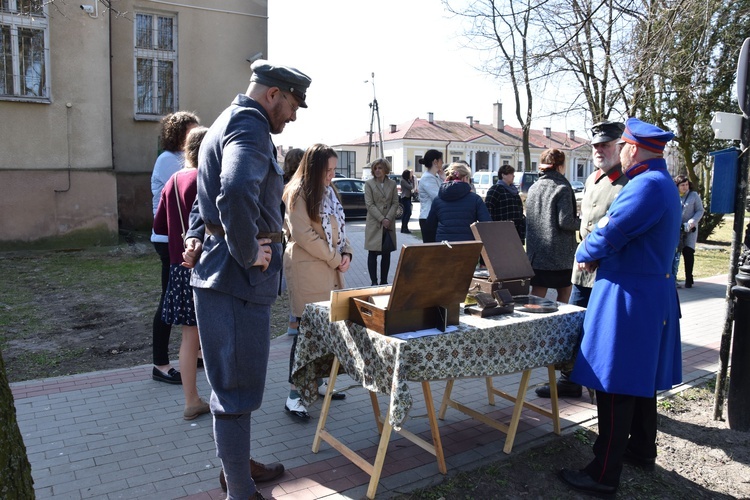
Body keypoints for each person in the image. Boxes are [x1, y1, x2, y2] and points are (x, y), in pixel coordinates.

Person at [183, 60, 310, 500]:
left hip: (222, 276)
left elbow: (205, 197)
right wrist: (246, 249)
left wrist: (195, 236)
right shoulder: (250, 125)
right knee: (236, 388)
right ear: (273, 94)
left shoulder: (225, 120)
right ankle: (239, 488)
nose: (293, 116)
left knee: (235, 382)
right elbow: (234, 191)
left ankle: (236, 466)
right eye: (292, 105)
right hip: (237, 279)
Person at [559, 118, 682, 497]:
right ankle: (641, 449)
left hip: (629, 298)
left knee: (615, 386)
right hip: (644, 295)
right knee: (638, 381)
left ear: (633, 147)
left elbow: (607, 234)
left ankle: (603, 473)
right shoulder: (660, 183)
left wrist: (583, 251)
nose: (620, 152)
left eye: (623, 145)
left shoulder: (645, 186)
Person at [536, 121, 627, 400]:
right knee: (573, 327)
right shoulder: (592, 178)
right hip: (582, 271)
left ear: (620, 147)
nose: (599, 150)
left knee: (603, 331)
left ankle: (604, 385)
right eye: (596, 145)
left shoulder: (628, 181)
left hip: (607, 270)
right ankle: (569, 379)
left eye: (606, 145)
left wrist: (596, 253)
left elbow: (620, 227)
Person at [282, 144, 352, 420]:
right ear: (313, 169)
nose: (331, 176)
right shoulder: (298, 192)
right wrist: (337, 257)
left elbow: (340, 228)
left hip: (328, 268)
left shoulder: (328, 191)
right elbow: (305, 236)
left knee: (327, 333)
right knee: (306, 335)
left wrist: (346, 252)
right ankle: (294, 396)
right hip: (307, 270)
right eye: (327, 171)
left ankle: (320, 383)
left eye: (334, 171)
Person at [152, 126, 210, 420]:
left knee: (189, 337)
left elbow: (159, 226)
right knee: (215, 335)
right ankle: (224, 398)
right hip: (209, 267)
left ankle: (191, 400)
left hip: (178, 266)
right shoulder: (210, 179)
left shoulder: (173, 180)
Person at [150, 110, 200, 385]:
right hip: (169, 240)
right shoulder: (170, 161)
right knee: (169, 301)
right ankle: (160, 363)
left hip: (179, 238)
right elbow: (185, 197)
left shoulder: (180, 161)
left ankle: (193, 353)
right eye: (190, 131)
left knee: (185, 300)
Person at [525, 148, 580, 304]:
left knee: (537, 292)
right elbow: (566, 222)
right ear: (561, 166)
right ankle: (561, 326)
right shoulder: (562, 187)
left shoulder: (533, 187)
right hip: (559, 253)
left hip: (536, 252)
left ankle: (533, 326)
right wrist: (585, 224)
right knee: (564, 292)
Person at [426, 162, 491, 242]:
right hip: (468, 244)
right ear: (465, 178)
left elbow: (430, 225)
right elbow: (486, 224)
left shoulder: (438, 199)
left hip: (443, 245)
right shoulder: (475, 199)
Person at [364, 158, 399, 286]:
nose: (377, 170)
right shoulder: (369, 184)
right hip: (375, 222)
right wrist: (382, 219)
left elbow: (395, 203)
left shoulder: (392, 184)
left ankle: (384, 281)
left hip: (388, 223)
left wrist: (388, 218)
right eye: (375, 168)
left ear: (385, 169)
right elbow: (369, 204)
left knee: (386, 252)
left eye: (380, 168)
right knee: (372, 252)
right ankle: (374, 282)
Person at [281, 148, 305, 336]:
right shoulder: (300, 185)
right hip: (295, 238)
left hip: (282, 238)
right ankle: (295, 322)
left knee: (292, 283)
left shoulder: (279, 181)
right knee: (299, 282)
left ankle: (293, 322)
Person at [673, 175, 704, 288]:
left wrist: (692, 222)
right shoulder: (673, 195)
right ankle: (673, 277)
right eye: (682, 185)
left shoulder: (693, 195)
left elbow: (700, 210)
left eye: (686, 184)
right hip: (677, 229)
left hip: (690, 229)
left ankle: (689, 278)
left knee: (688, 252)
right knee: (675, 254)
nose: (685, 187)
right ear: (677, 186)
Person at [484, 164, 526, 244]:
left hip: (516, 229)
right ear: (503, 175)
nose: (513, 176)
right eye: (511, 174)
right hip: (501, 230)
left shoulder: (514, 190)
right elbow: (488, 208)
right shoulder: (495, 189)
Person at [417, 149, 444, 243]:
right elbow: (439, 197)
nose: (443, 163)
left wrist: (443, 179)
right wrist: (444, 180)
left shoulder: (435, 177)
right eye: (441, 160)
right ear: (435, 162)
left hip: (433, 217)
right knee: (431, 250)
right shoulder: (427, 178)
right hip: (428, 218)